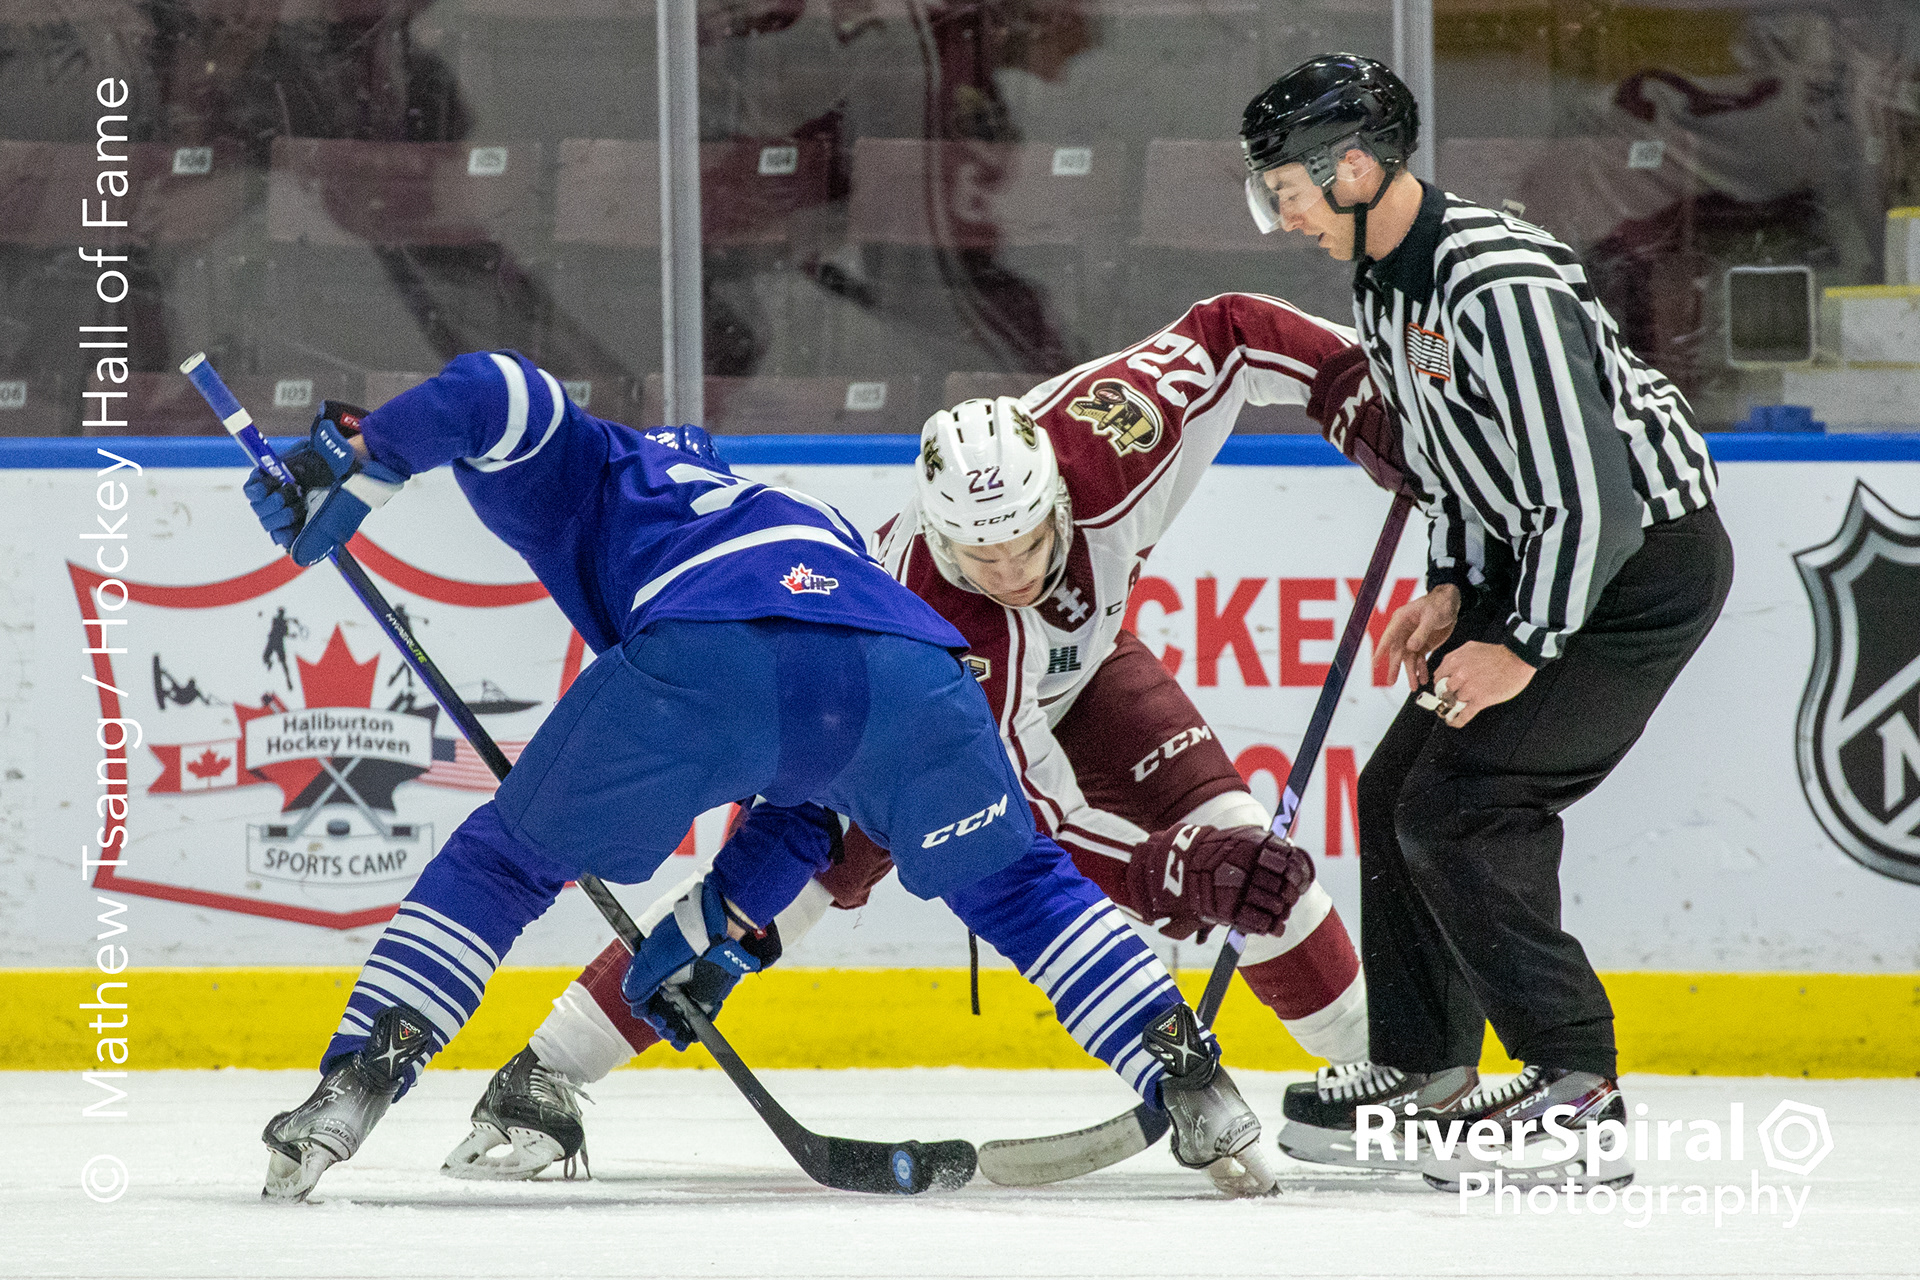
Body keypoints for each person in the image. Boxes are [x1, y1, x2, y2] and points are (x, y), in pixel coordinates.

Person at [245, 351, 1315, 1201]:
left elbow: (492, 387)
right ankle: (1193, 1079)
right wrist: (722, 914)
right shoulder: (812, 516)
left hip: (704, 652)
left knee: (505, 863)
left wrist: (361, 456)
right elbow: (808, 789)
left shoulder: (605, 471)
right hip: (909, 667)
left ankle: (358, 1078)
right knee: (1020, 883)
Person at [1238, 53, 1732, 1180]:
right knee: (1392, 795)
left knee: (1467, 806)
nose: (1282, 216)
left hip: (1634, 571)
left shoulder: (1494, 280)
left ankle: (1576, 1086)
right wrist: (1457, 586)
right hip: (1543, 561)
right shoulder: (1384, 282)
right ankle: (1425, 1070)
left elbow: (1593, 497)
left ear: (1353, 168)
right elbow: (1459, 464)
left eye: (1288, 190)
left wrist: (1522, 643)